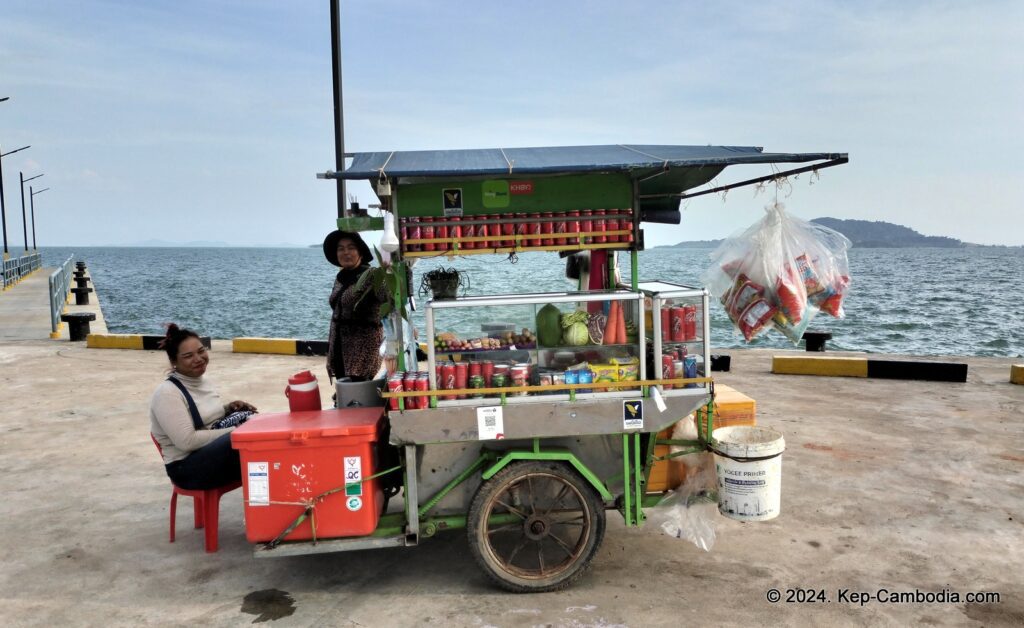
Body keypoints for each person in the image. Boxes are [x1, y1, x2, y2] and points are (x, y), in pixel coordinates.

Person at [149, 324, 257, 490]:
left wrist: (229, 408)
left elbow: (206, 418)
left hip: (210, 456)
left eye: (201, 351)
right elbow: (187, 441)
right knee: (252, 441)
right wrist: (237, 430)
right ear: (174, 361)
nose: (198, 359)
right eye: (188, 356)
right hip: (187, 469)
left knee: (265, 437)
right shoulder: (167, 393)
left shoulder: (203, 380)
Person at [323, 229, 386, 382]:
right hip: (340, 350)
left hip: (362, 353)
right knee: (345, 395)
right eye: (341, 248)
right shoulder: (340, 277)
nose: (346, 252)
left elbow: (389, 300)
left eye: (351, 248)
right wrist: (330, 354)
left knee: (358, 395)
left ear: (360, 252)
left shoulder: (372, 276)